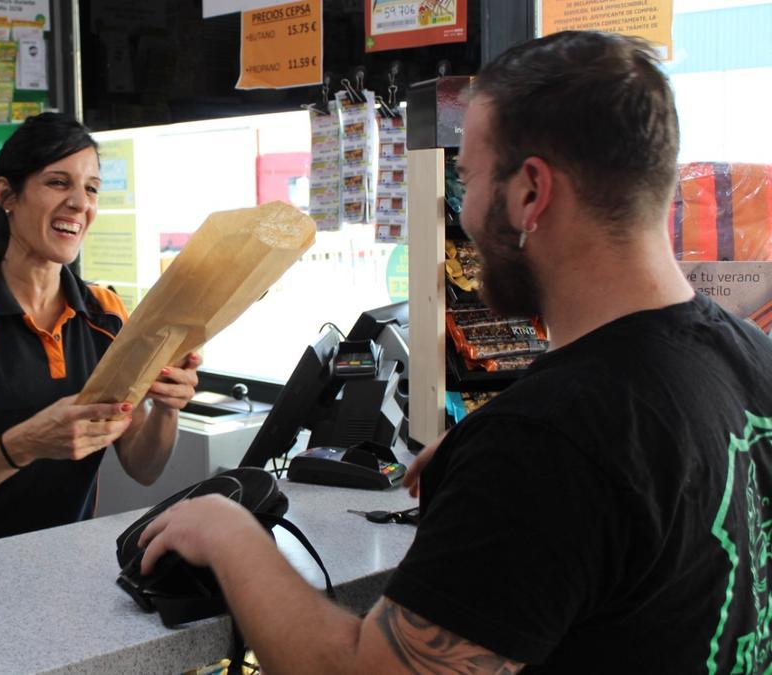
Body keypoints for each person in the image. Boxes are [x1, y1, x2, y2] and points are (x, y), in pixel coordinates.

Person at [138, 31, 772, 672]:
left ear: (530, 194)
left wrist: (230, 535)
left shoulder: (549, 444)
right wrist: (494, 456)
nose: (463, 212)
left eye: (466, 177)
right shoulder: (750, 360)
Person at [0, 113, 200, 549]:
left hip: (66, 567)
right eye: (58, 182)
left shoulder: (107, 314)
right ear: (6, 195)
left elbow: (142, 466)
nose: (79, 203)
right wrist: (23, 445)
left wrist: (169, 407)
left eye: (91, 188)